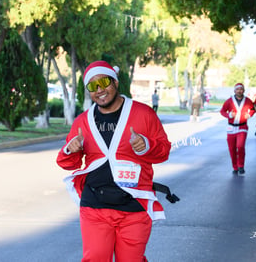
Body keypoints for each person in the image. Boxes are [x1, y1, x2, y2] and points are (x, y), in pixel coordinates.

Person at [56, 60, 172, 262]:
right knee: (96, 258)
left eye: (104, 82)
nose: (99, 90)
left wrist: (145, 145)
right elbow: (68, 163)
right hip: (95, 206)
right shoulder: (83, 121)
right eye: (93, 86)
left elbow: (163, 152)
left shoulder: (144, 114)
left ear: (116, 83)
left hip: (135, 205)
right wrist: (70, 149)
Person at [220, 83, 255, 176]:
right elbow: (222, 111)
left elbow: (253, 109)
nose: (239, 91)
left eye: (241, 89)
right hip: (231, 127)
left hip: (242, 127)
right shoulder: (229, 101)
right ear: (234, 90)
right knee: (232, 148)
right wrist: (229, 115)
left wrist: (250, 114)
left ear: (243, 90)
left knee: (240, 146)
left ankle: (241, 166)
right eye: (237, 89)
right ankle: (235, 167)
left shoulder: (248, 101)